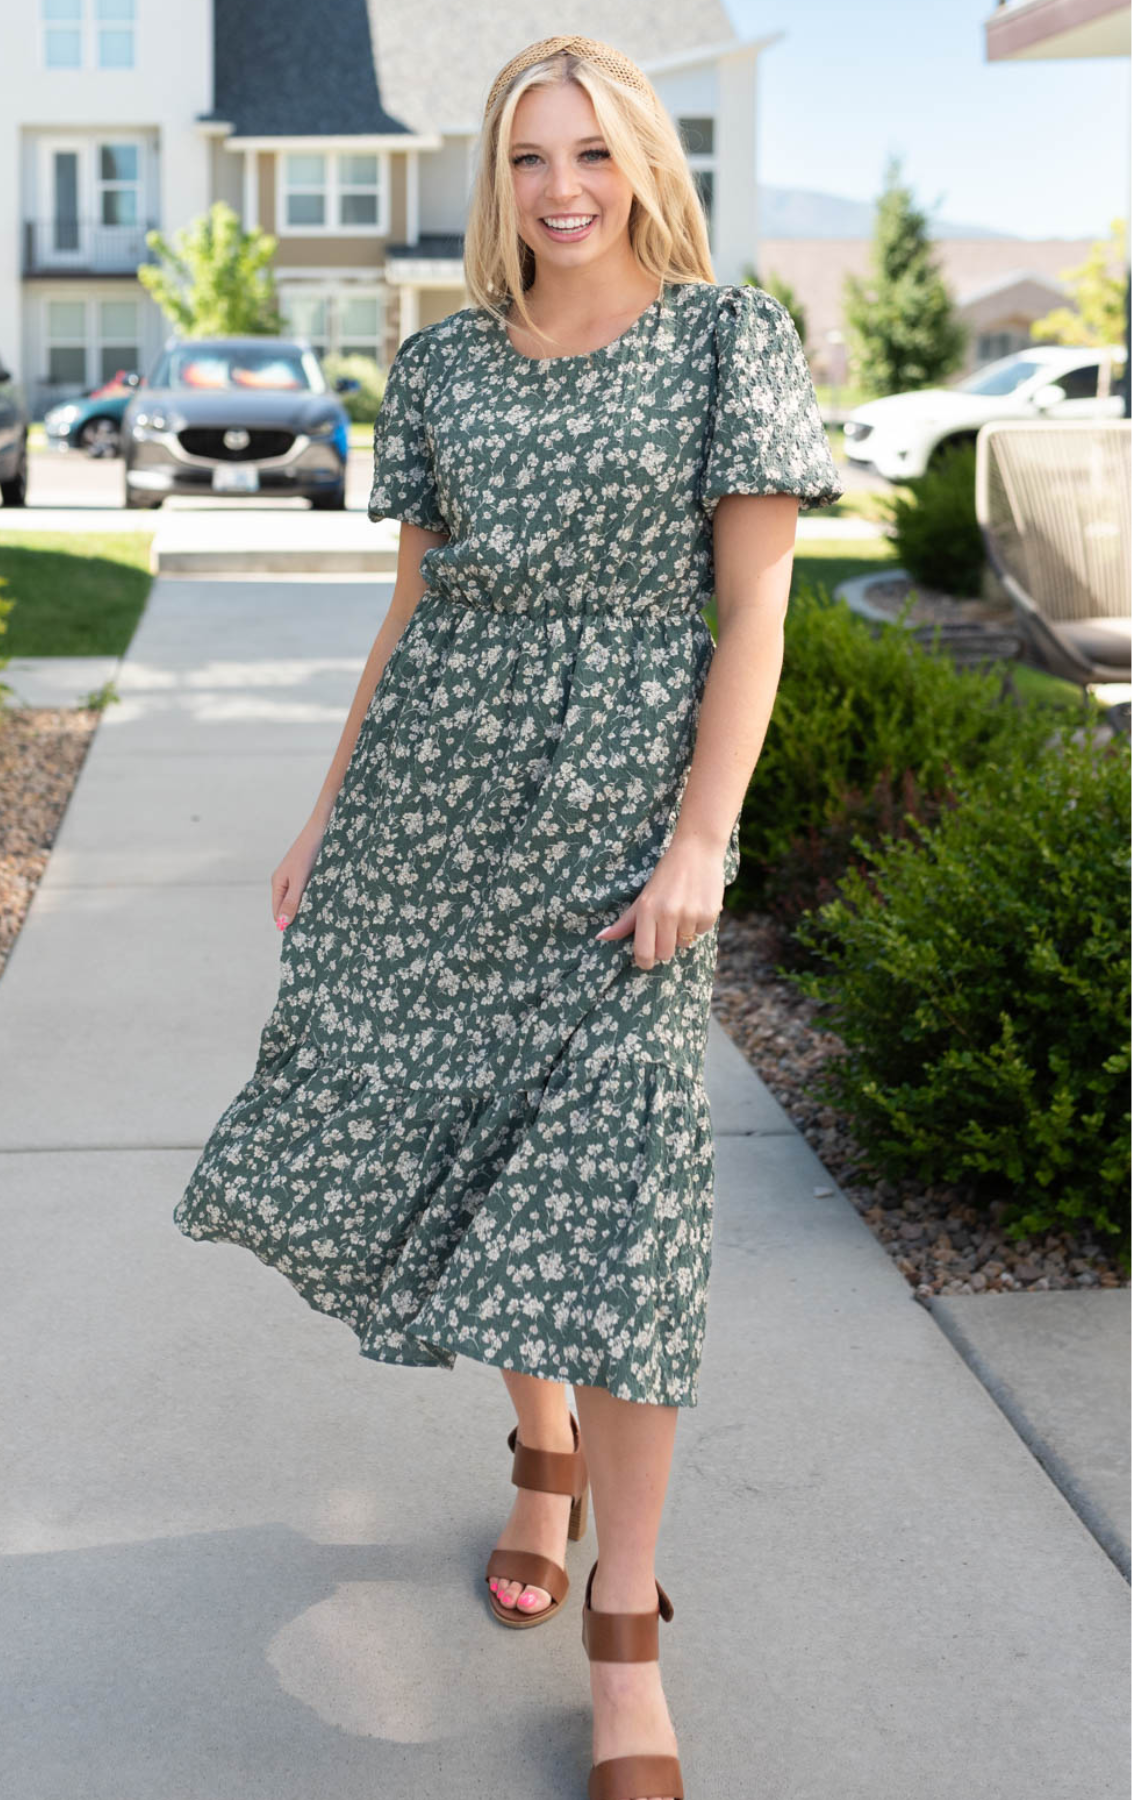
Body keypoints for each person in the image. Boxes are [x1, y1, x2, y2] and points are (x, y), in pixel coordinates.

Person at [174, 32, 841, 1800]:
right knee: (464, 1158)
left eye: (589, 154)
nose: (559, 190)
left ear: (641, 165)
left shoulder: (724, 340)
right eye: (528, 159)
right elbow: (406, 618)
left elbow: (753, 617)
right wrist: (327, 813)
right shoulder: (443, 366)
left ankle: (626, 1637)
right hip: (434, 822)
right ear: (497, 178)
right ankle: (534, 1447)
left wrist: (704, 839)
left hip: (623, 838)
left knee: (617, 1218)